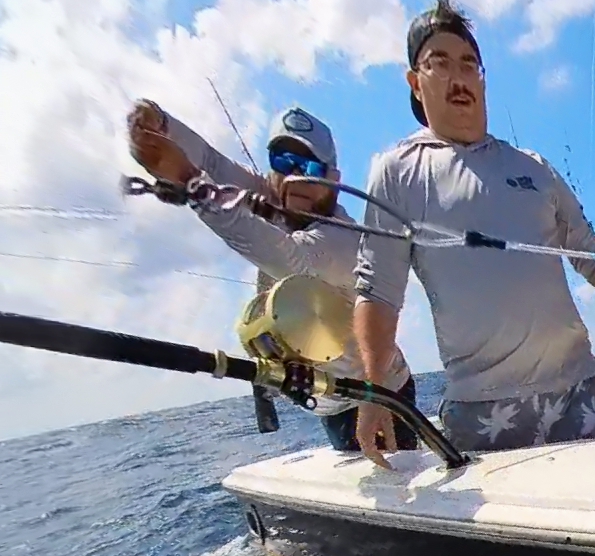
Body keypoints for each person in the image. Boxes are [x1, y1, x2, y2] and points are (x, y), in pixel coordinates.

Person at [350, 0, 595, 464]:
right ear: (415, 82)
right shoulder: (396, 173)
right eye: (440, 63)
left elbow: (586, 249)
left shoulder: (534, 168)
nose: (458, 76)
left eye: (469, 64)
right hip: (481, 408)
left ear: (483, 79)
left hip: (578, 391)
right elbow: (378, 290)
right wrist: (375, 391)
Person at [124, 101, 419, 454]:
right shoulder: (273, 199)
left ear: (334, 179)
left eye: (308, 165)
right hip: (330, 400)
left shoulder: (341, 239)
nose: (295, 175)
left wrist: (189, 181)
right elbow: (214, 163)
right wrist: (161, 123)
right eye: (282, 162)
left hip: (381, 396)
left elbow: (284, 255)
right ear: (270, 172)